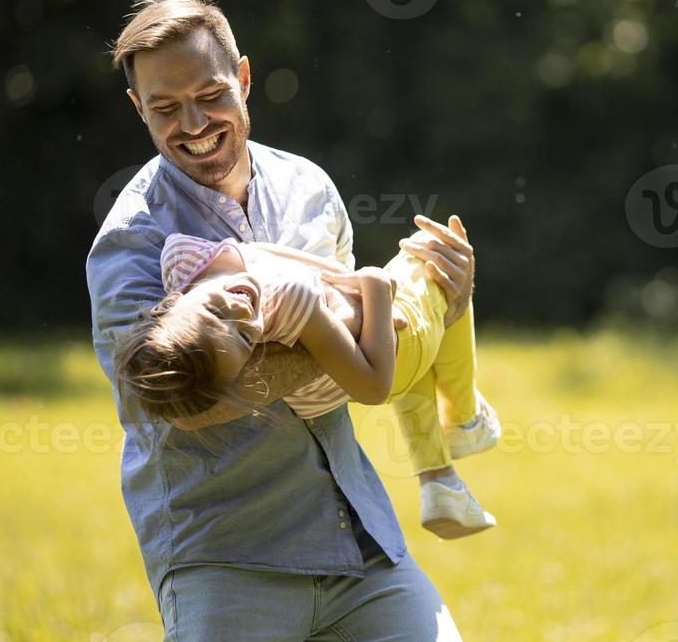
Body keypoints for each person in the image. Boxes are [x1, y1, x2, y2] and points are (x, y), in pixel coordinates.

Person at [86, 0, 489, 642]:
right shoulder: (133, 244)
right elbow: (163, 398)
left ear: (243, 77)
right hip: (223, 554)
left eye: (210, 96)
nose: (195, 124)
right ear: (137, 109)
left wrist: (439, 306)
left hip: (352, 534)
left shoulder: (309, 188)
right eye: (165, 108)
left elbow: (368, 334)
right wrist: (309, 351)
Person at [114, 226, 501, 537]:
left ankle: (441, 483)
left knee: (432, 315)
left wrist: (342, 280)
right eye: (246, 338)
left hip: (384, 350)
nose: (242, 310)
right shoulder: (288, 301)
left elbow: (268, 255)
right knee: (432, 254)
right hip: (391, 355)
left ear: (170, 303)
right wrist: (375, 287)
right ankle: (466, 417)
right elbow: (373, 386)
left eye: (216, 312)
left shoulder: (181, 257)